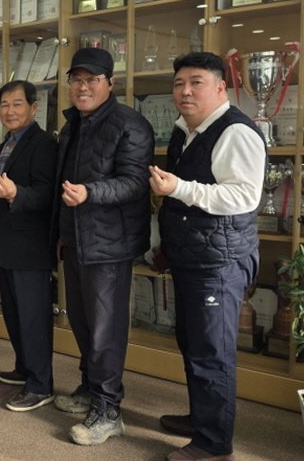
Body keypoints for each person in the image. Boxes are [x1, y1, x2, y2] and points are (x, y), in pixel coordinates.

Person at [149, 52, 265, 461]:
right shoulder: (185, 129)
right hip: (194, 256)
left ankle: (213, 444)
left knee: (212, 352)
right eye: (179, 83)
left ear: (220, 88)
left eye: (196, 82)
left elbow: (244, 196)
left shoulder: (236, 131)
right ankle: (203, 419)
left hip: (219, 263)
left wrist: (179, 188)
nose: (185, 91)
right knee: (194, 344)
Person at [52, 48, 154, 445]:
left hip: (109, 245)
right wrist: (59, 234)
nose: (83, 87)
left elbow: (135, 182)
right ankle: (91, 388)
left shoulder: (130, 124)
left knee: (104, 331)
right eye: (76, 80)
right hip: (76, 240)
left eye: (92, 80)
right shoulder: (73, 125)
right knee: (81, 322)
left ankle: (109, 409)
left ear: (110, 83)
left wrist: (90, 193)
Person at [0, 80, 58, 412]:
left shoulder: (43, 144)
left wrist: (17, 194)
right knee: (14, 313)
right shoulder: (9, 142)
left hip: (30, 247)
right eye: (4, 104)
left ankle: (41, 385)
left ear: (34, 107)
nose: (9, 111)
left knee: (33, 318)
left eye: (17, 104)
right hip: (7, 245)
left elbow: (47, 192)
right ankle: (25, 367)